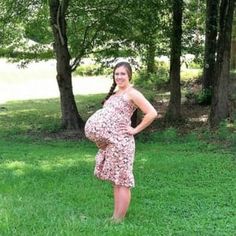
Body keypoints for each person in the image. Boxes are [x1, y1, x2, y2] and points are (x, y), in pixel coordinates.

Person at [84, 61, 157, 222]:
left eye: (122, 74)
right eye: (116, 74)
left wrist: (134, 130)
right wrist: (101, 140)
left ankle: (119, 219)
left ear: (129, 75)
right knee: (116, 180)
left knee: (122, 180)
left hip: (122, 143)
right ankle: (115, 217)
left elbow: (152, 113)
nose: (119, 77)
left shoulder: (132, 93)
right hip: (112, 143)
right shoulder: (115, 93)